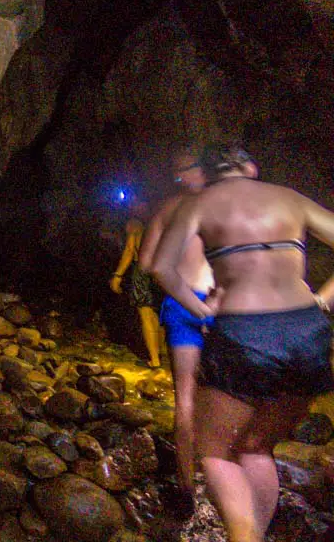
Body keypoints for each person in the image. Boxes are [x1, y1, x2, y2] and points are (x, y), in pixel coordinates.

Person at [151, 144, 334, 542]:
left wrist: (199, 312)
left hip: (246, 331)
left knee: (215, 449)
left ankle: (242, 536)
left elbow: (161, 267)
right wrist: (323, 300)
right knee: (256, 447)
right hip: (308, 331)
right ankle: (257, 534)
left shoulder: (197, 205)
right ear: (250, 167)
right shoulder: (289, 198)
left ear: (209, 173)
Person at [138, 149, 215, 511]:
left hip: (181, 300)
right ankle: (221, 476)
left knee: (184, 397)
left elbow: (147, 261)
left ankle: (187, 488)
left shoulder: (169, 209)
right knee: (221, 394)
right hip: (220, 303)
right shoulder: (226, 204)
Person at [110, 199, 163, 368]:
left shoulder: (134, 224)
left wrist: (118, 275)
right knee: (156, 313)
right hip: (162, 271)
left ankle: (154, 359)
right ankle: (160, 352)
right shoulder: (161, 220)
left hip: (142, 270)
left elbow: (129, 250)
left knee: (146, 314)